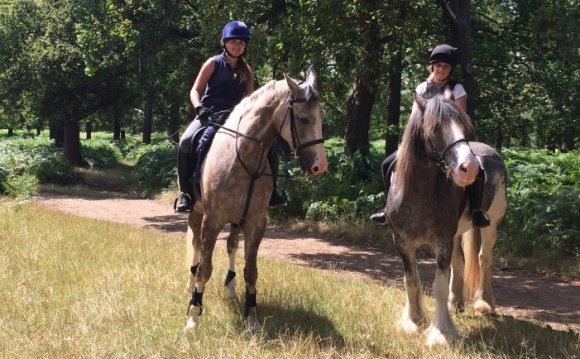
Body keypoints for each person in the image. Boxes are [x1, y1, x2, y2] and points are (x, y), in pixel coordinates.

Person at [370, 44, 490, 227]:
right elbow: (413, 119)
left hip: (451, 139)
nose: (441, 70)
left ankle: (476, 210)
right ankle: (388, 209)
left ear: (451, 70)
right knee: (387, 164)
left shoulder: (457, 89)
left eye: (446, 67)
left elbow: (460, 117)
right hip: (423, 141)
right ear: (432, 66)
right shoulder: (421, 89)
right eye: (438, 65)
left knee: (478, 169)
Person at [175, 20, 287, 212]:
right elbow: (195, 90)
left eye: (241, 43)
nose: (237, 46)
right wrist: (199, 107)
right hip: (209, 114)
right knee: (186, 142)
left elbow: (252, 101)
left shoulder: (247, 71)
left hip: (236, 119)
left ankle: (273, 191)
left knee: (271, 147)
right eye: (234, 42)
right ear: (225, 43)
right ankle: (185, 193)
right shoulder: (213, 63)